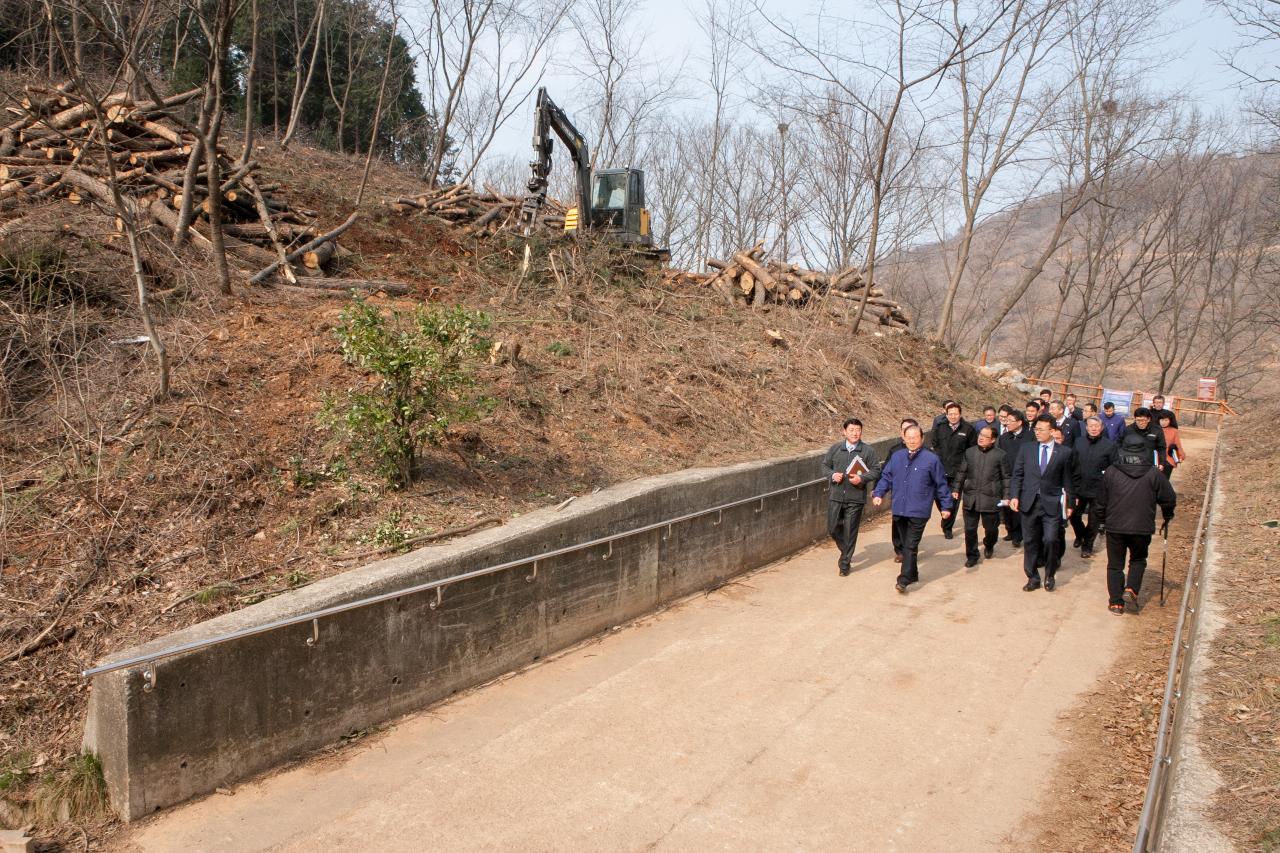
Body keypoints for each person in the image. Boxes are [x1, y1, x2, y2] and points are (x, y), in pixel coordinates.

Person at [1093, 433, 1177, 615]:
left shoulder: (1111, 471)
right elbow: (1169, 498)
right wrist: (1168, 515)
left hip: (1115, 525)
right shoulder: (1154, 473)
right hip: (1142, 525)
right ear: (1144, 451)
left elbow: (1100, 501)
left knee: (1115, 564)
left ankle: (1116, 603)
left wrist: (1101, 520)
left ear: (1122, 450)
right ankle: (1131, 589)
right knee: (1138, 559)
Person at [872, 425, 953, 594]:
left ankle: (904, 579)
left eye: (915, 437)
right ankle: (913, 573)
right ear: (903, 438)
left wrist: (946, 506)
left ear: (922, 438)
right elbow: (886, 477)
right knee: (907, 544)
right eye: (908, 437)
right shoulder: (897, 457)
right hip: (900, 509)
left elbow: (941, 484)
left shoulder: (931, 459)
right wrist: (879, 493)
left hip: (919, 509)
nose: (912, 441)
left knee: (910, 544)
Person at [1009, 415, 1077, 592]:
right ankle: (1032, 577)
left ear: (1053, 431)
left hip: (1052, 503)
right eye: (1036, 429)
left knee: (1050, 539)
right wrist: (1014, 496)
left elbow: (1068, 480)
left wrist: (1070, 504)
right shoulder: (1027, 449)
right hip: (1029, 502)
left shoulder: (1064, 452)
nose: (1037, 432)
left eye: (1041, 429)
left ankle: (1050, 574)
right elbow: (1017, 475)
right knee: (1030, 541)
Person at [822, 418, 884, 575]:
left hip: (855, 497)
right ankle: (846, 549)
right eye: (851, 430)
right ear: (844, 431)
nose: (855, 433)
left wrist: (862, 479)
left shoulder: (867, 451)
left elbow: (876, 470)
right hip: (836, 496)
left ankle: (845, 564)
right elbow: (824, 466)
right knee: (833, 528)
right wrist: (832, 474)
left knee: (850, 531)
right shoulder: (836, 449)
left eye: (858, 430)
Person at [954, 426, 1010, 567]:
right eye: (980, 434)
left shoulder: (1000, 455)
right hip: (971, 496)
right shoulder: (970, 452)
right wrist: (956, 489)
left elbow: (1006, 478)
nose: (981, 437)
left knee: (991, 528)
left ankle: (989, 544)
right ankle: (972, 555)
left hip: (990, 497)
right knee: (970, 529)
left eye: (985, 436)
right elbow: (962, 472)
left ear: (993, 440)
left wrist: (1007, 496)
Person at [1070, 416, 1116, 558]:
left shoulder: (1109, 445)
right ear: (1086, 427)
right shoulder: (1078, 442)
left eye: (1097, 426)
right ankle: (1081, 534)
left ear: (1101, 428)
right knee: (1074, 515)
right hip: (1078, 486)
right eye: (1091, 426)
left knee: (1094, 519)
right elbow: (1072, 463)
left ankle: (1087, 545)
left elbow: (1114, 467)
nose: (1094, 428)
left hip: (1098, 488)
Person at [929, 402, 976, 540]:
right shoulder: (940, 427)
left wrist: (966, 467)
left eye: (956, 413)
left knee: (953, 500)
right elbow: (935, 444)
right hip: (940, 470)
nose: (953, 416)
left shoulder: (968, 429)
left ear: (960, 414)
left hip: (958, 472)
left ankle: (947, 527)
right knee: (939, 497)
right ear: (946, 414)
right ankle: (945, 514)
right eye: (950, 414)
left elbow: (971, 449)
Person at [885, 418, 918, 564]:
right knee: (898, 521)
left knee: (913, 522)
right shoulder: (894, 451)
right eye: (905, 430)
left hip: (916, 494)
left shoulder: (925, 452)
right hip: (899, 493)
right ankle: (899, 550)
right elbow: (886, 472)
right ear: (901, 434)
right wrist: (878, 489)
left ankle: (910, 550)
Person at [997, 410, 1032, 548]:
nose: (1007, 423)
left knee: (1018, 506)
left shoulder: (1030, 437)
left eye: (1011, 421)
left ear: (1019, 422)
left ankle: (1018, 535)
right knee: (1006, 505)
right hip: (1006, 476)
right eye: (1007, 420)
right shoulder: (1004, 437)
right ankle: (1010, 530)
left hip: (1023, 477)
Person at [1125, 407, 1168, 473]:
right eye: (1138, 420)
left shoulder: (1156, 430)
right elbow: (1120, 444)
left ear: (1149, 419)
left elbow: (1162, 448)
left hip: (1150, 464)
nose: (1140, 423)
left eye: (1143, 420)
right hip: (1132, 463)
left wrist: (1162, 463)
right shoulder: (1129, 429)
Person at [1159, 414, 1184, 480]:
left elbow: (1178, 444)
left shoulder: (1174, 431)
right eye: (1161, 420)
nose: (1163, 422)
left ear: (1170, 421)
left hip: (1168, 458)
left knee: (1164, 481)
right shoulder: (1154, 429)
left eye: (1166, 420)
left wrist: (1181, 456)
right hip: (1155, 458)